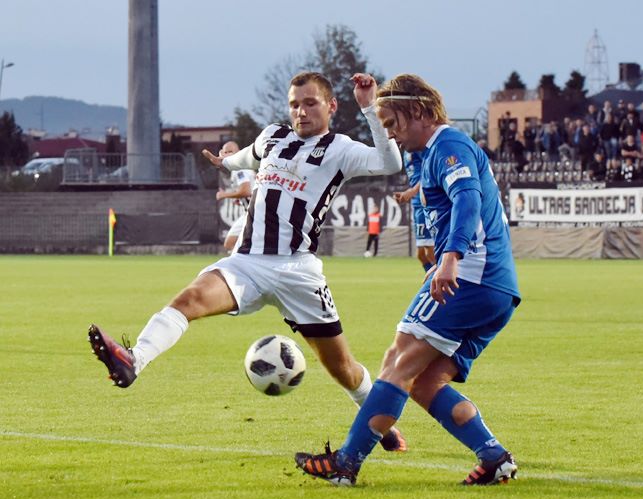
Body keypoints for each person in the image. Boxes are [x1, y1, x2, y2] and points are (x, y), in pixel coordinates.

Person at [87, 71, 407, 451]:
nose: (301, 112)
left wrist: (369, 108)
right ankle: (133, 361)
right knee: (189, 300)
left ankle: (382, 427)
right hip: (247, 263)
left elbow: (390, 162)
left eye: (310, 103)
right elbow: (246, 158)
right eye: (295, 104)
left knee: (342, 368)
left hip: (297, 272)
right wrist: (224, 163)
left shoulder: (340, 149)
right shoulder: (273, 137)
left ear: (331, 106)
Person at [295, 73, 521, 486]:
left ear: (418, 111)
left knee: (397, 361)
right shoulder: (431, 152)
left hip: (471, 276)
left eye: (393, 124)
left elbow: (467, 198)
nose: (391, 135)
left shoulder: (449, 146)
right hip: (496, 288)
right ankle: (493, 456)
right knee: (424, 382)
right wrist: (370, 106)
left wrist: (450, 258)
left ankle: (346, 463)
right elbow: (430, 190)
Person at [393, 150, 435, 272]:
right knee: (421, 255)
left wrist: (412, 192)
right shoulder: (406, 149)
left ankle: (446, 280)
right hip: (417, 203)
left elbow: (429, 172)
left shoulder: (419, 147)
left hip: (426, 201)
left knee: (430, 252)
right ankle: (433, 279)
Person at [214, 140, 257, 252]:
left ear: (239, 153)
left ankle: (249, 261)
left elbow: (246, 191)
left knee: (231, 243)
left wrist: (224, 195)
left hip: (254, 212)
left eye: (231, 151)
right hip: (251, 211)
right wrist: (241, 199)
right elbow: (249, 191)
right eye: (225, 152)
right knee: (233, 243)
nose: (228, 154)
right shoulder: (240, 167)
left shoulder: (239, 169)